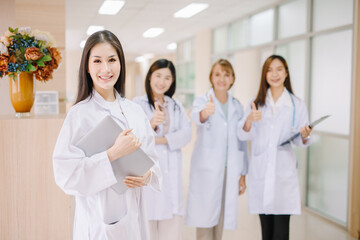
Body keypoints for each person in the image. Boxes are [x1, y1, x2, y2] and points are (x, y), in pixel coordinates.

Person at [52, 30, 161, 240]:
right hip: (99, 221)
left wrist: (147, 176)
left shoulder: (135, 111)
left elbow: (152, 159)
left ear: (121, 63)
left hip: (135, 216)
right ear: (87, 66)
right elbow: (65, 175)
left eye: (112, 60)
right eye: (97, 61)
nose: (106, 69)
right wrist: (111, 155)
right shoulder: (79, 115)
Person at [238, 55, 312, 240]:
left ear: (286, 73)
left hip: (282, 173)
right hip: (261, 171)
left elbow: (301, 140)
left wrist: (305, 135)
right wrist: (249, 120)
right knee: (266, 231)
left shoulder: (297, 104)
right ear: (264, 75)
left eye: (279, 69)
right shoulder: (255, 103)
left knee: (281, 232)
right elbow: (242, 134)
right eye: (269, 70)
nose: (274, 74)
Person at [185, 59, 248, 240]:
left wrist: (243, 174)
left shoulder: (236, 106)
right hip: (207, 168)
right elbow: (197, 117)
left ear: (232, 79)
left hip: (230, 168)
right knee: (205, 216)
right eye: (218, 74)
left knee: (220, 214)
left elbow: (242, 141)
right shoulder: (202, 101)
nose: (222, 79)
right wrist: (206, 112)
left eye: (226, 75)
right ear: (211, 78)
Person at [133, 59, 192, 240]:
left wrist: (163, 140)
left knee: (172, 230)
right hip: (147, 170)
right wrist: (151, 124)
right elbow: (134, 137)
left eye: (167, 77)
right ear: (150, 77)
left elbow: (187, 133)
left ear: (172, 81)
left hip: (171, 174)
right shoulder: (137, 104)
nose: (162, 81)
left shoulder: (176, 106)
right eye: (158, 75)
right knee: (146, 228)